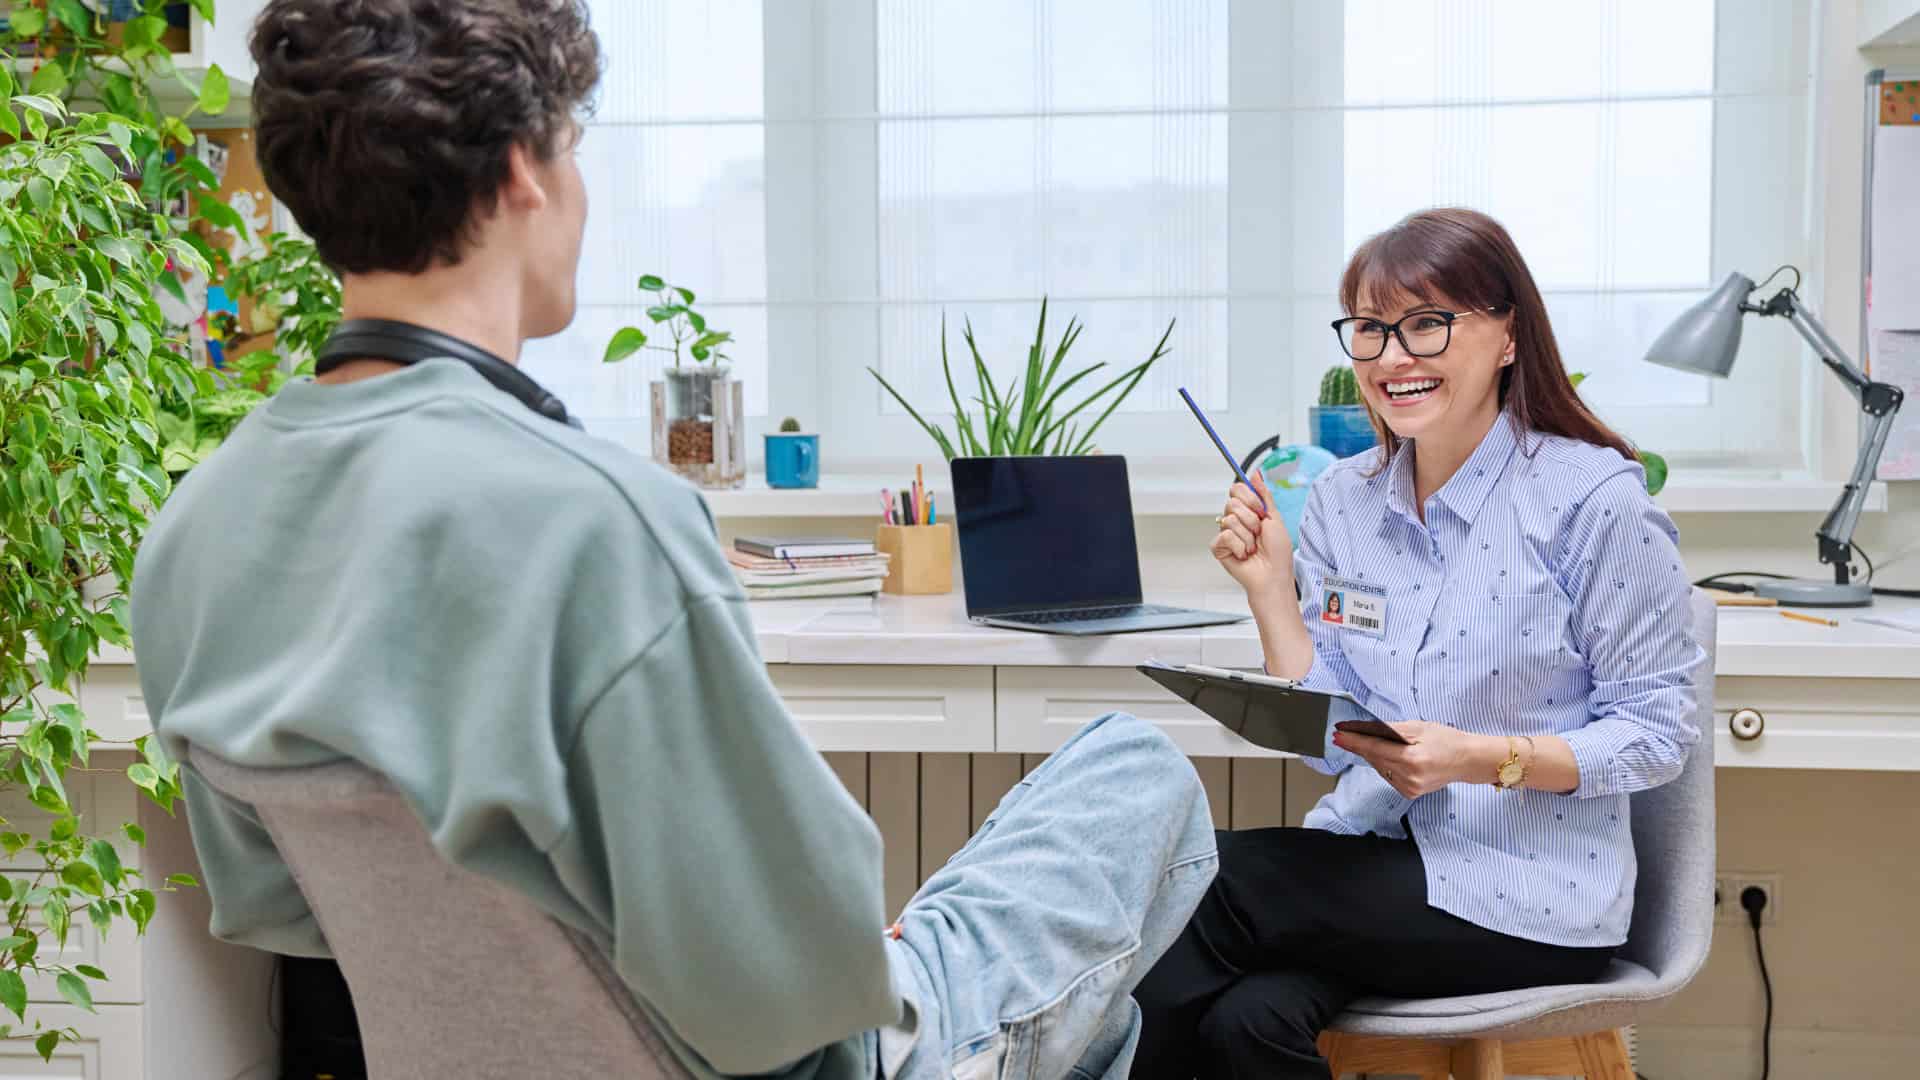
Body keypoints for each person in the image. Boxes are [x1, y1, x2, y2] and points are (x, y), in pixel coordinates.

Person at [126, 3, 1216, 1079]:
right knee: (1138, 770)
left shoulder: (196, 533)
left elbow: (282, 906)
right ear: (522, 171)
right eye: (577, 151)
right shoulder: (596, 519)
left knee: (1096, 1022)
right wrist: (844, 953)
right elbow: (790, 979)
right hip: (808, 1064)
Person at [1129, 207, 1707, 1079]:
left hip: (1531, 898)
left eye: (1427, 323)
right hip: (1378, 865)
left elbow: (1657, 735)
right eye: (1370, 329)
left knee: (1212, 881)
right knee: (1243, 1024)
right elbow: (1335, 743)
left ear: (1508, 335)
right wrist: (1269, 591)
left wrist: (1479, 757)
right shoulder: (1342, 503)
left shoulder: (1594, 504)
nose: (1394, 356)